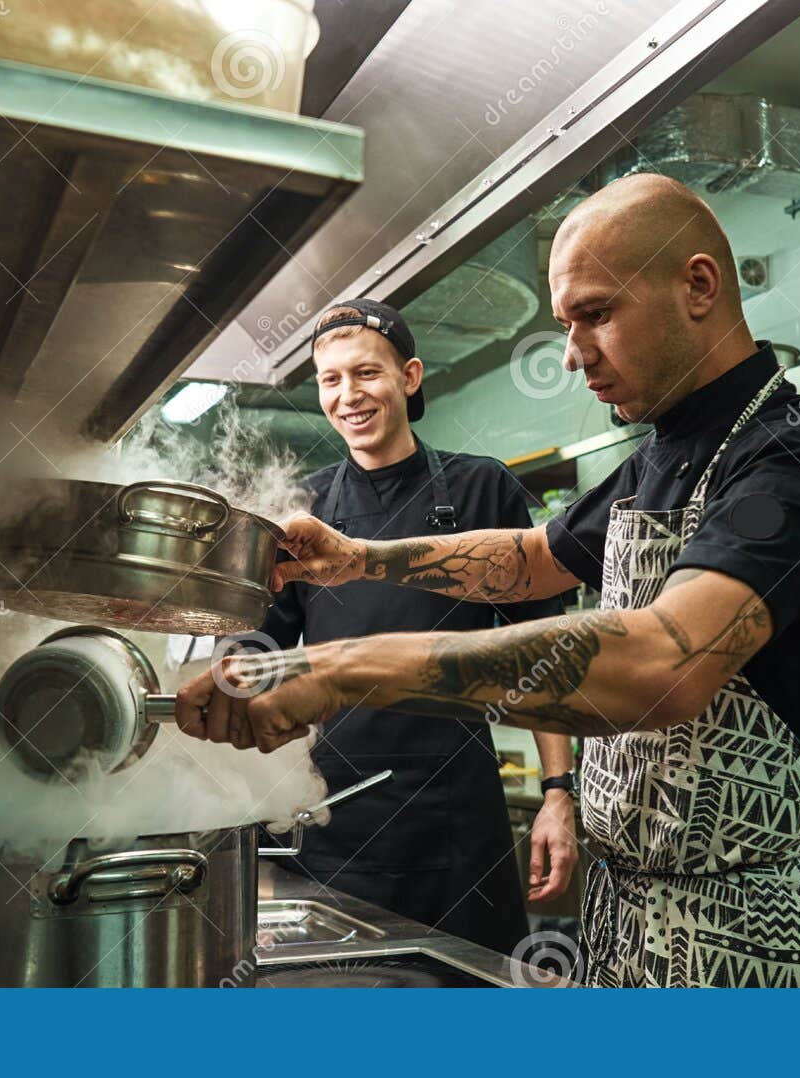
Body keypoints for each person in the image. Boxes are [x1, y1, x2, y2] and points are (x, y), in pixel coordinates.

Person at [177, 173, 800, 987]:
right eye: (565, 323)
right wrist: (357, 559)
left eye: (596, 314)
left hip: (761, 944)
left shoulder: (791, 461)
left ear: (699, 285)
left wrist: (342, 669)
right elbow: (532, 560)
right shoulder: (662, 456)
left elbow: (666, 664)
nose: (571, 352)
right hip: (632, 923)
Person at [244, 298, 577, 956]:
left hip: (458, 822)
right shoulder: (301, 511)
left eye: (366, 374)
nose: (348, 396)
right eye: (330, 380)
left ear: (410, 376)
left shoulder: (485, 489)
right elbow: (257, 663)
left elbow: (546, 652)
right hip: (333, 817)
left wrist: (558, 794)